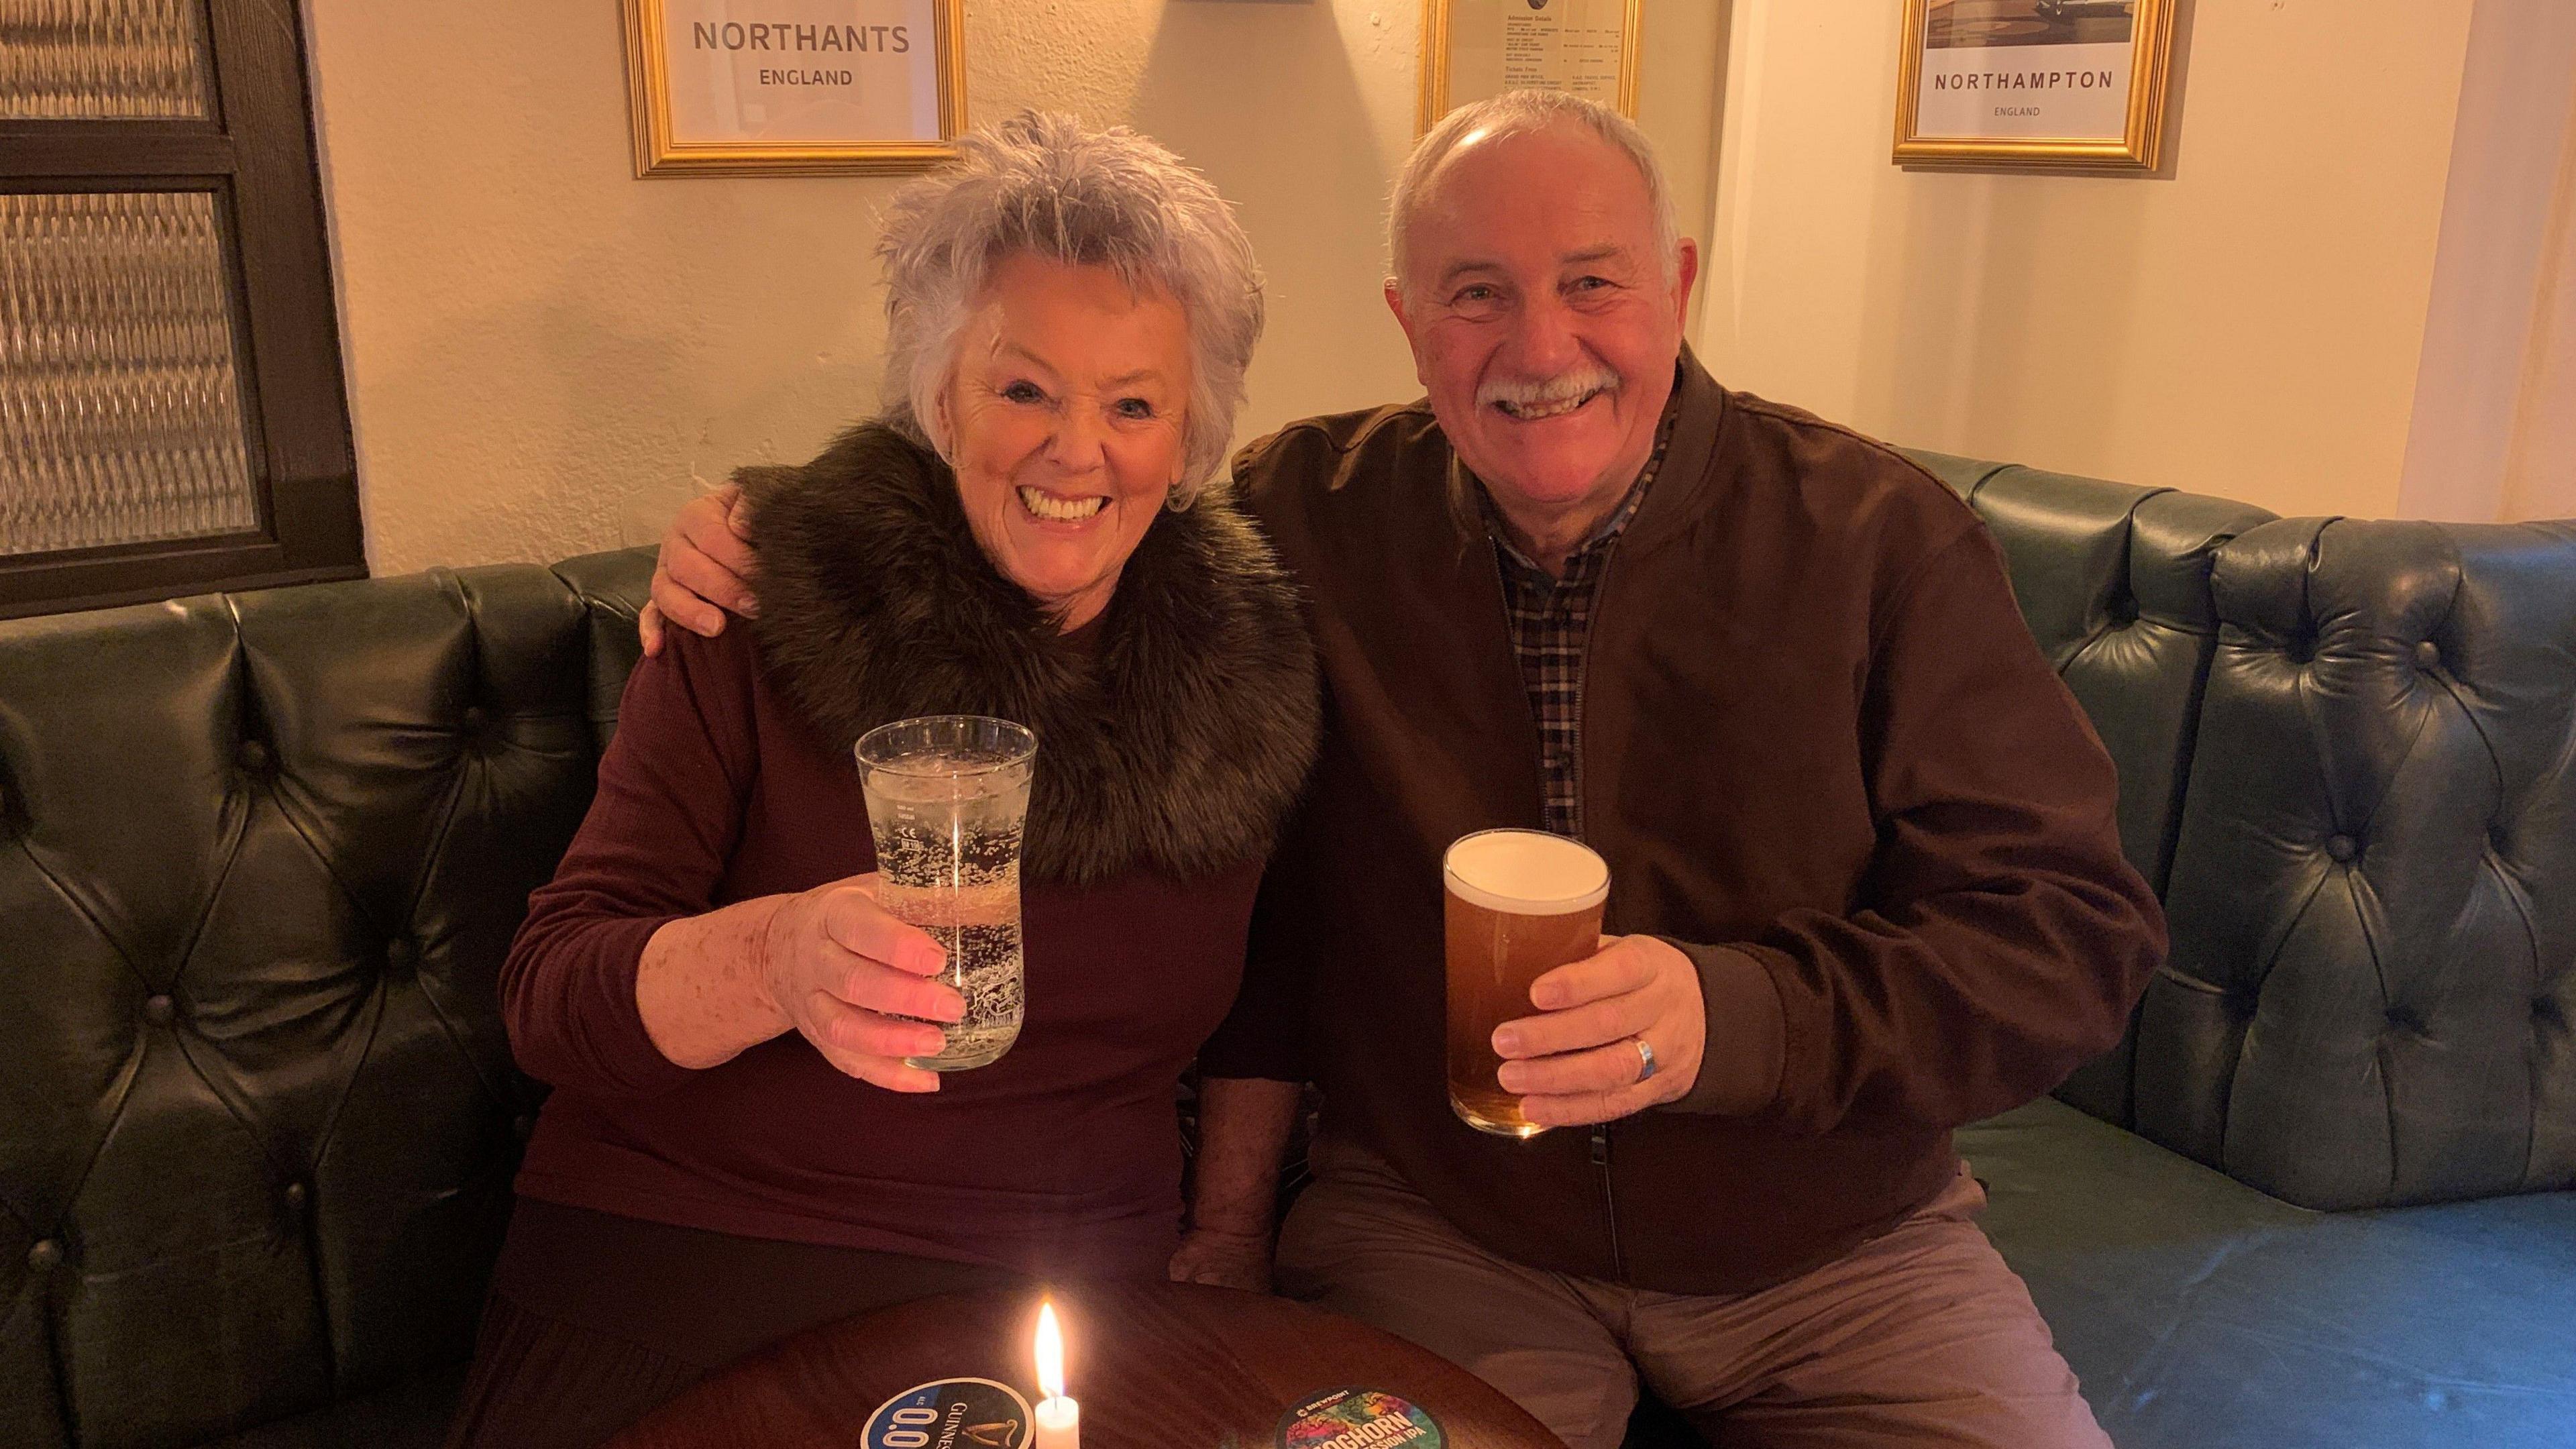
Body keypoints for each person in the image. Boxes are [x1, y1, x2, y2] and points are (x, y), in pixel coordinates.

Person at [646, 91, 2163, 1449]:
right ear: (1406, 319)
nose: (1542, 347)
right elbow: (1046, 484)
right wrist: (763, 523)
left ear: (1679, 287)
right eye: (1477, 296)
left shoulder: (1876, 543)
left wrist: (1735, 1018)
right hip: (1448, 1228)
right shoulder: (1305, 520)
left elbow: (2072, 938)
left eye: (1593, 285)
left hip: (1839, 1246)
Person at [453, 113, 1317, 1449]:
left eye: (1133, 403)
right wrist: (775, 958)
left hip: (1059, 1300)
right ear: (938, 393)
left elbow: (1265, 998)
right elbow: (549, 1001)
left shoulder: (1247, 673)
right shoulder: (768, 599)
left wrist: (1227, 1241)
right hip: (688, 1253)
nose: (1075, 450)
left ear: (1191, 431)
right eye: (1023, 388)